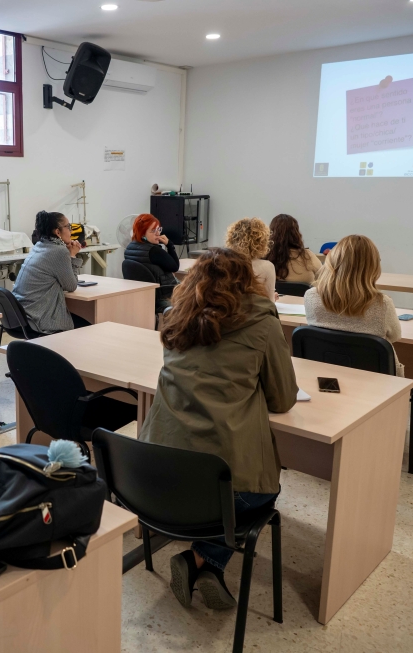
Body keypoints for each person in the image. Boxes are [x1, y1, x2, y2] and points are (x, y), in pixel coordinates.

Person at [138, 248, 297, 611]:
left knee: (222, 490)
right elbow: (283, 399)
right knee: (262, 491)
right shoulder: (262, 323)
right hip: (219, 485)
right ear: (248, 281)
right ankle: (203, 559)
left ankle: (206, 562)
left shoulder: (175, 318)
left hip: (153, 478)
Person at [303, 235, 405, 376]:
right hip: (376, 380)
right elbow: (395, 336)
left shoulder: (311, 296)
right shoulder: (383, 304)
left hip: (325, 375)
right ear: (373, 267)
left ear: (332, 261)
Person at [12, 211, 91, 334]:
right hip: (37, 319)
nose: (71, 231)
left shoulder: (39, 245)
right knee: (91, 327)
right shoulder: (59, 251)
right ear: (58, 232)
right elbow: (71, 286)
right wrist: (72, 255)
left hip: (19, 316)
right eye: (68, 227)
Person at [123, 213, 179, 312]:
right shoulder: (154, 250)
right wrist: (169, 244)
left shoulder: (129, 248)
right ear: (142, 233)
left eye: (158, 229)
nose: (158, 233)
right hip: (164, 295)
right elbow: (175, 267)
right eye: (153, 230)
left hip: (144, 294)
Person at [225, 218, 277, 300]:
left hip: (230, 307)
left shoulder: (224, 263)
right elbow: (270, 301)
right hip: (256, 308)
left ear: (232, 238)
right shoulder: (268, 267)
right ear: (262, 242)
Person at [267, 214, 322, 284]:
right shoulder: (307, 256)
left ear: (271, 233)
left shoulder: (265, 257)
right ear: (296, 233)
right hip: (305, 291)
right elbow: (323, 277)